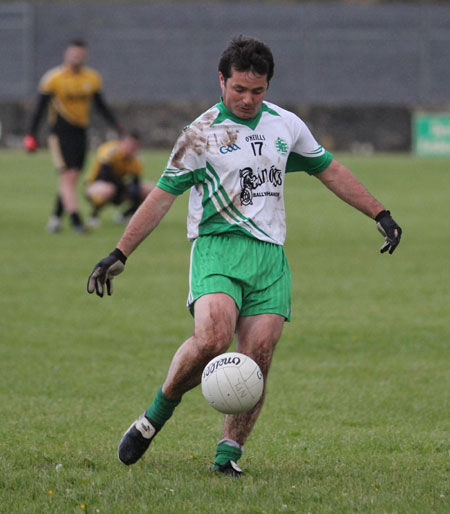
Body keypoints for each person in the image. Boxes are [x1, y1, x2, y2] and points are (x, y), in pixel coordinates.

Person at [87, 36, 402, 477]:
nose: (248, 99)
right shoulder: (199, 135)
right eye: (239, 89)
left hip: (270, 257)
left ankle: (227, 454)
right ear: (222, 80)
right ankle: (155, 415)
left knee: (258, 357)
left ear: (268, 86)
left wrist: (380, 212)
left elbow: (328, 169)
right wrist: (120, 252)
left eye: (258, 91)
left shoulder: (286, 125)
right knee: (214, 338)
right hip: (217, 247)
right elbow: (160, 197)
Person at [24, 39, 122, 233]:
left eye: (80, 54)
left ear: (84, 56)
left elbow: (100, 105)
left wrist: (116, 125)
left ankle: (55, 218)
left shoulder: (92, 78)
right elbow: (40, 109)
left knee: (72, 177)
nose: (76, 57)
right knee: (68, 177)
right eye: (73, 53)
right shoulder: (53, 78)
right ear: (66, 54)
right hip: (60, 134)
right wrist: (32, 134)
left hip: (80, 133)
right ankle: (77, 222)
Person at [85, 131, 154, 228]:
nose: (131, 148)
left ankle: (124, 216)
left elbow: (136, 182)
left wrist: (134, 195)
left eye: (135, 146)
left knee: (150, 190)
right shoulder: (110, 151)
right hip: (96, 185)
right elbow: (103, 176)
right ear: (122, 142)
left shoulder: (136, 159)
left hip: (119, 186)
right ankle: (93, 216)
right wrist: (122, 188)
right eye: (129, 144)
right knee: (108, 189)